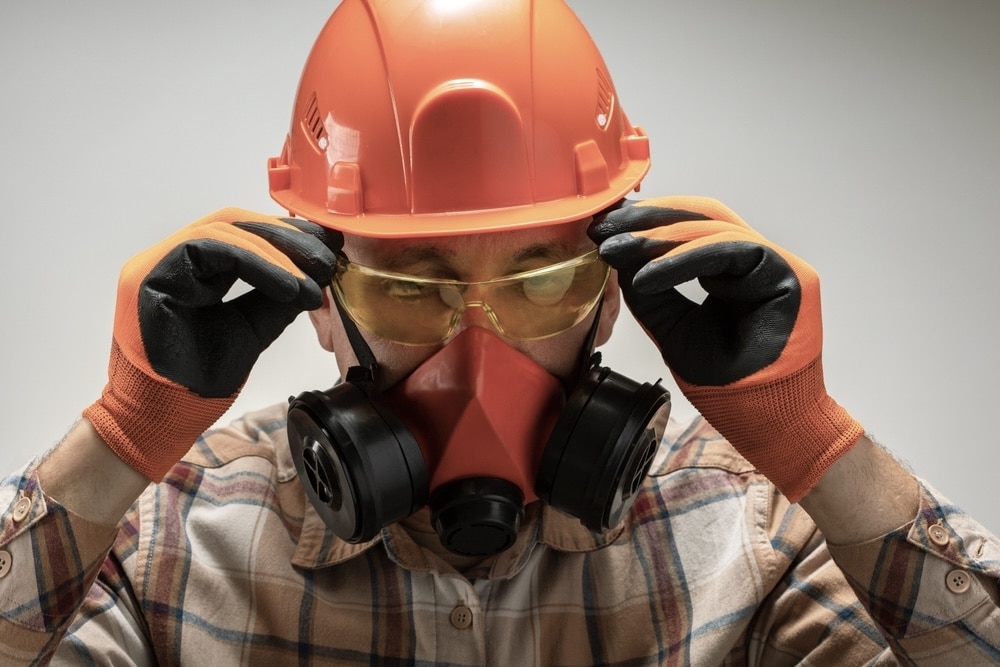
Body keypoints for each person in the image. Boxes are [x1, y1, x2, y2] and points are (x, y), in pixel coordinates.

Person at [1, 0, 998, 664]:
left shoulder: (751, 535)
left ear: (612, 295)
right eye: (406, 286)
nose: (475, 357)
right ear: (316, 298)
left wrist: (813, 443)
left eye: (539, 283)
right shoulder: (166, 538)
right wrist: (124, 438)